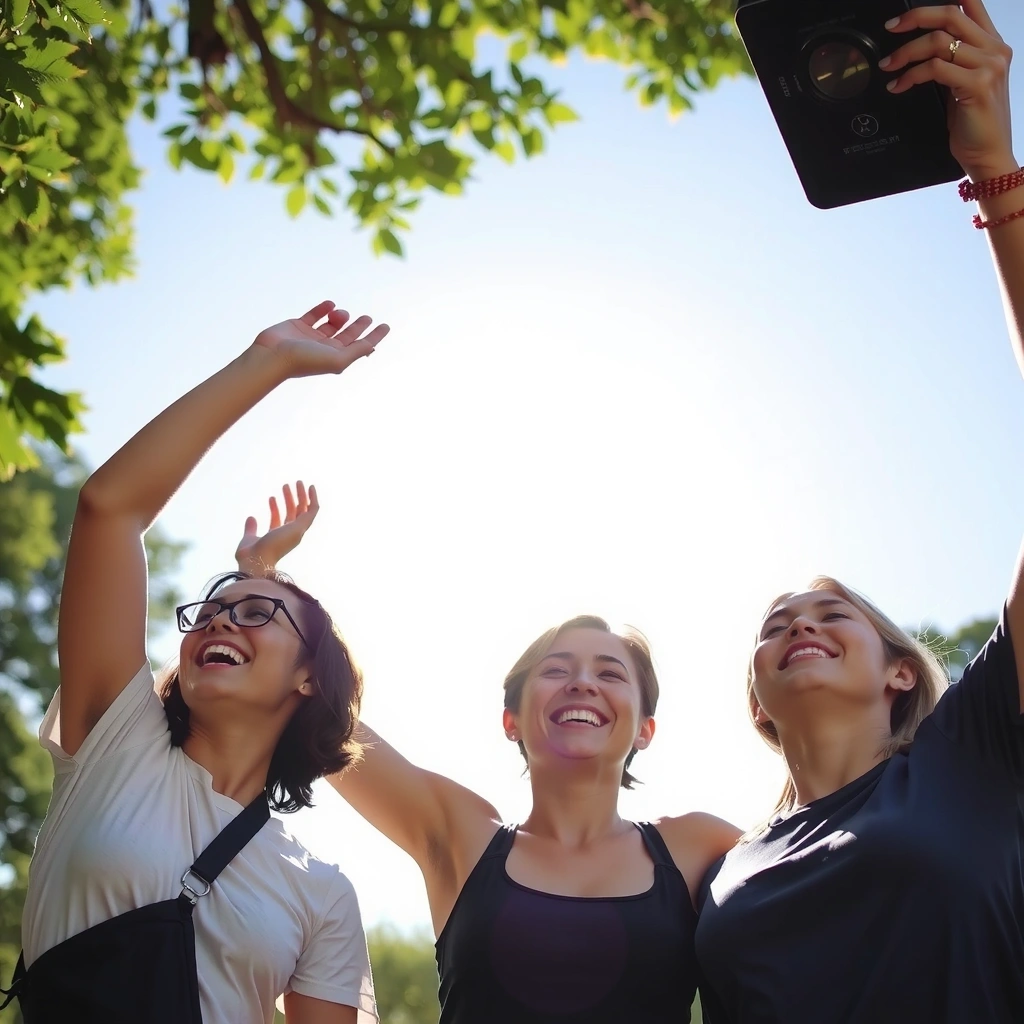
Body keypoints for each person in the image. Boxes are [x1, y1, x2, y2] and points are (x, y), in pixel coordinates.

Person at [695, 3, 1024, 1019]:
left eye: (831, 611)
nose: (796, 621)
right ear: (756, 700)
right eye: (774, 622)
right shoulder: (722, 866)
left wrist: (995, 172)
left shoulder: (972, 750)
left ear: (897, 670)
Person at [8, 302, 387, 1024]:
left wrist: (262, 576)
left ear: (310, 677)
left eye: (254, 613)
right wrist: (267, 360)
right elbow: (109, 507)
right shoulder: (118, 748)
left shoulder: (322, 892)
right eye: (211, 609)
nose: (217, 618)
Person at [237, 497, 740, 1024]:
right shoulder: (462, 837)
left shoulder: (700, 848)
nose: (583, 682)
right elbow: (323, 712)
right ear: (512, 721)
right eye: (557, 669)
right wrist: (260, 581)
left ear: (644, 730)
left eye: (611, 674)